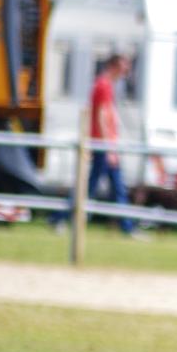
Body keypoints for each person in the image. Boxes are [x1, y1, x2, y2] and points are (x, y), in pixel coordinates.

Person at [50, 54, 138, 237]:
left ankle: (59, 217)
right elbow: (101, 116)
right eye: (123, 67)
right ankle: (127, 227)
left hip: (103, 144)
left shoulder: (105, 84)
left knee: (96, 187)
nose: (126, 71)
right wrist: (109, 146)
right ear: (114, 66)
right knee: (105, 187)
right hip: (103, 145)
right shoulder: (104, 85)